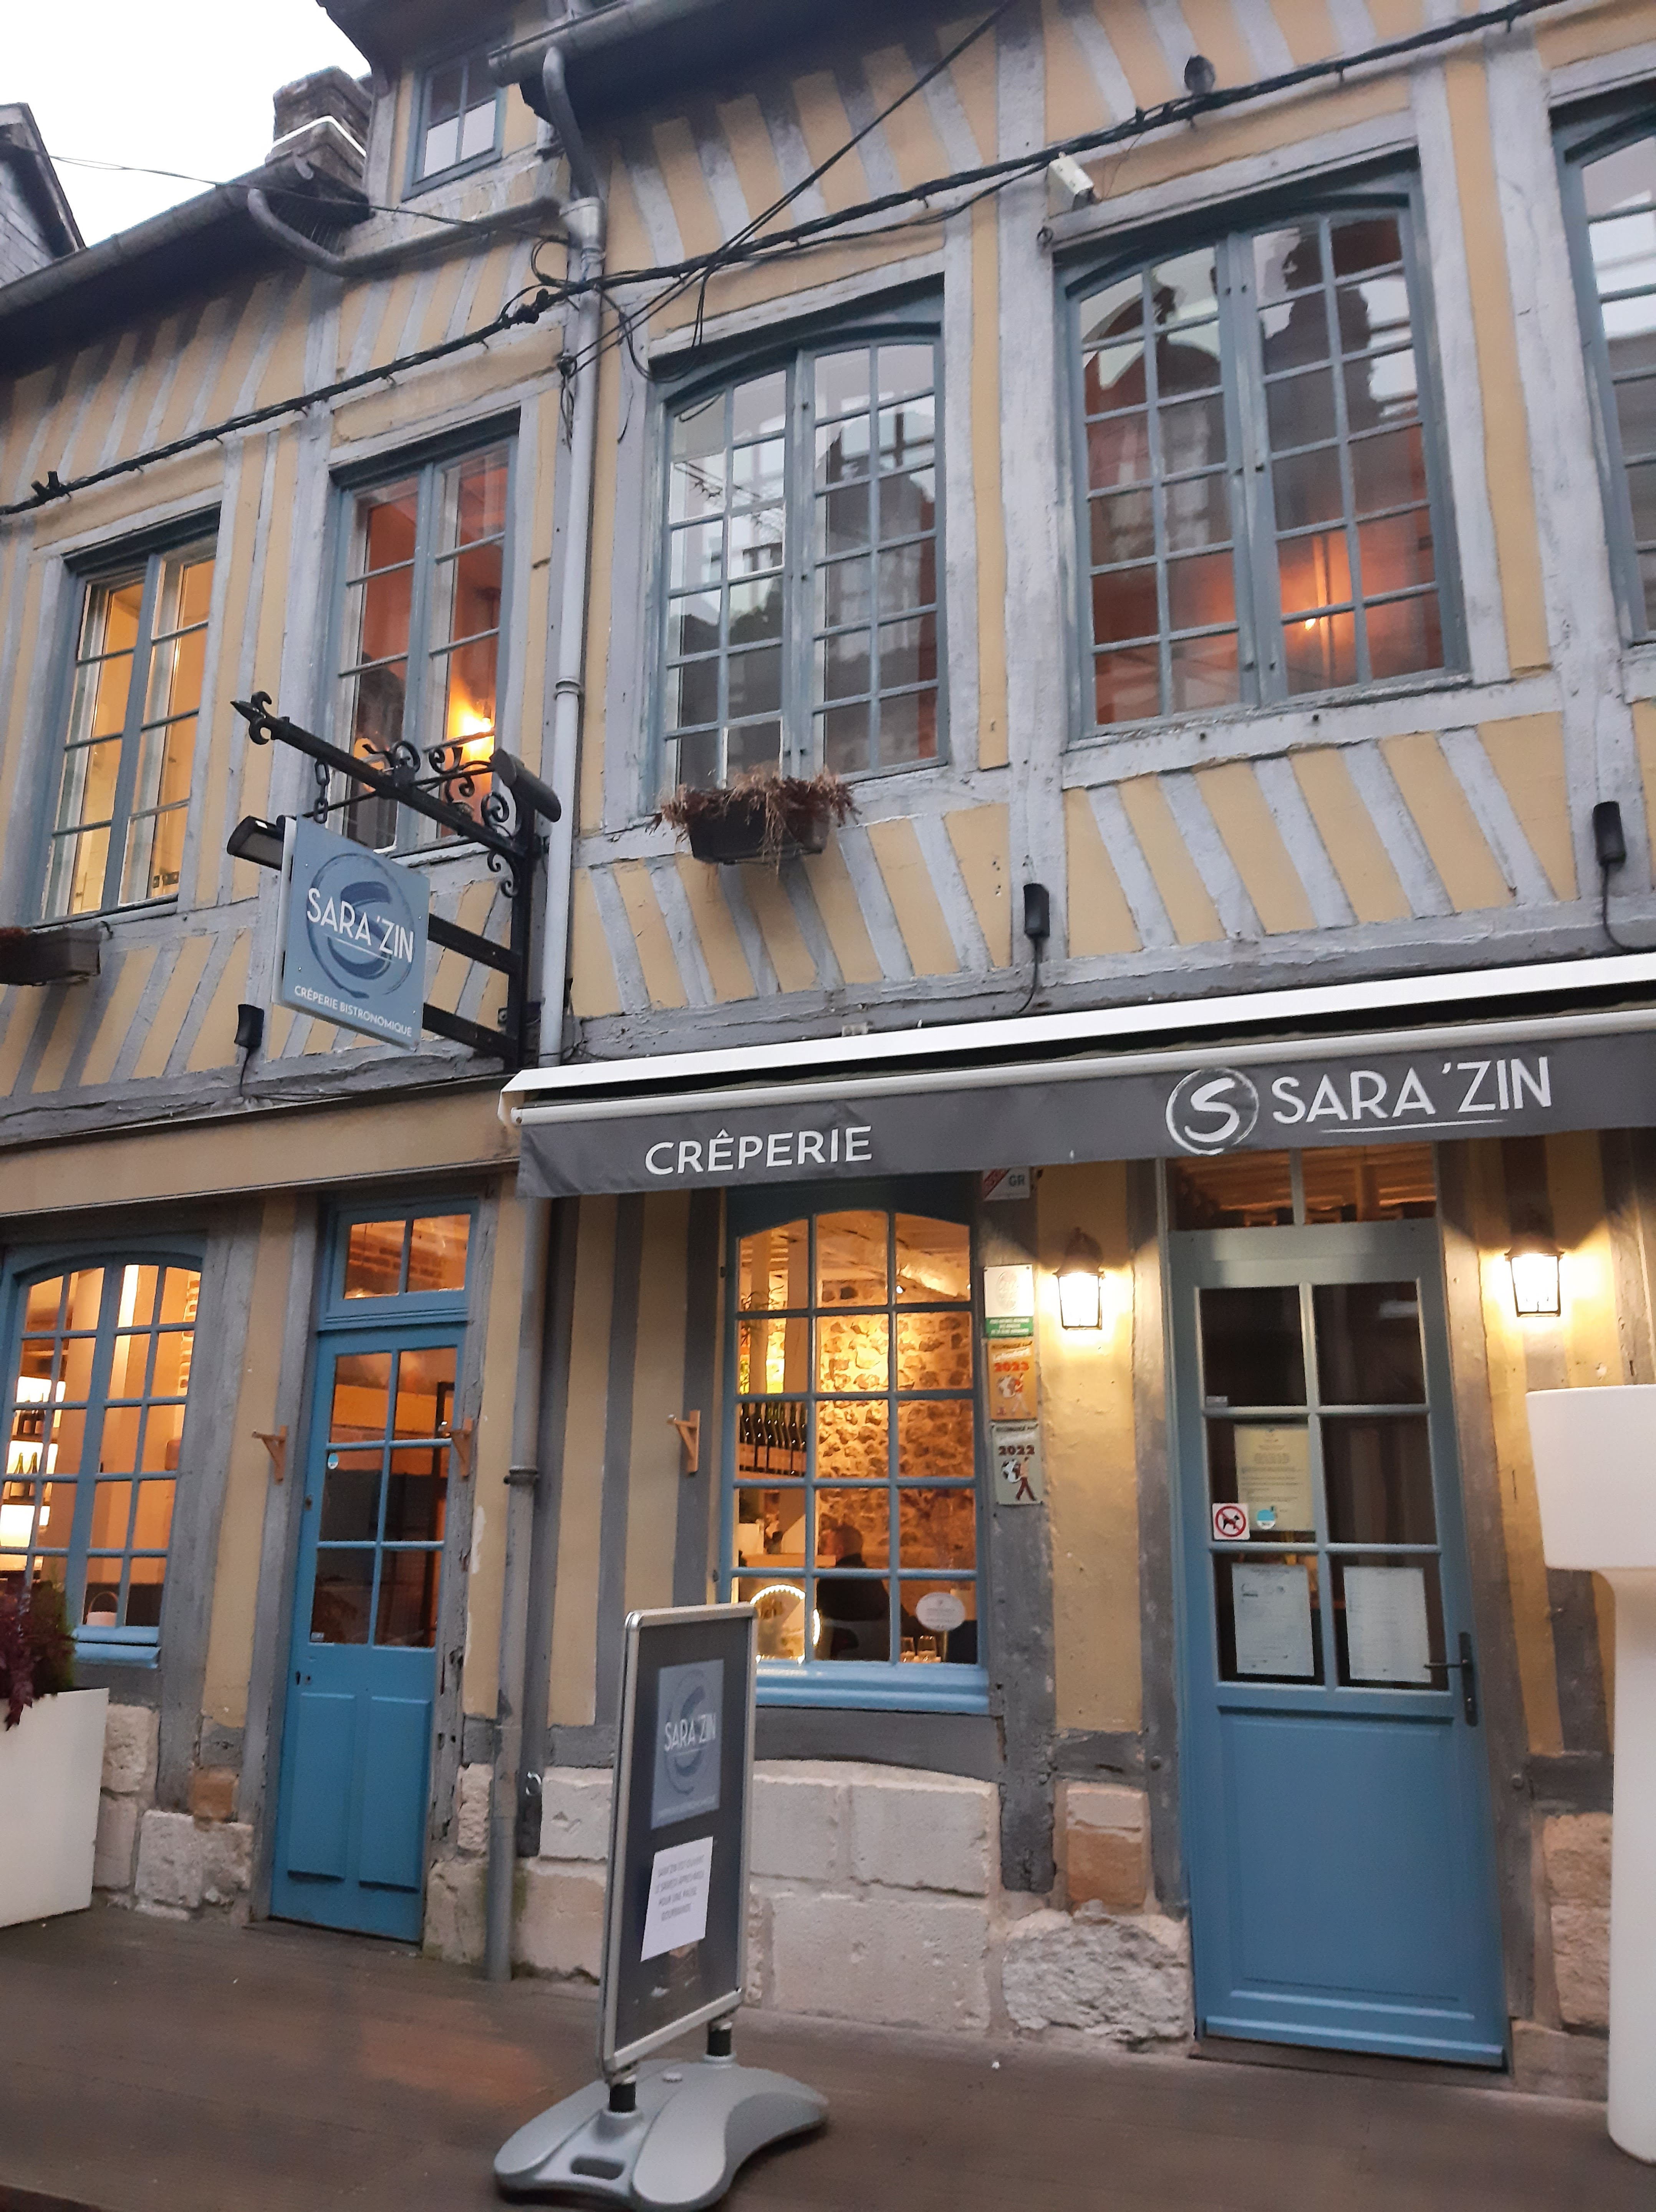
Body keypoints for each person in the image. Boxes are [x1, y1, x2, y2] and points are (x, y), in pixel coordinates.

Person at [814, 1520, 889, 1661]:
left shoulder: (829, 1582)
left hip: (836, 1663)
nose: (823, 1552)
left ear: (839, 1551)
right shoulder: (875, 1581)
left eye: (826, 1546)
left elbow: (820, 1624)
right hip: (878, 1660)